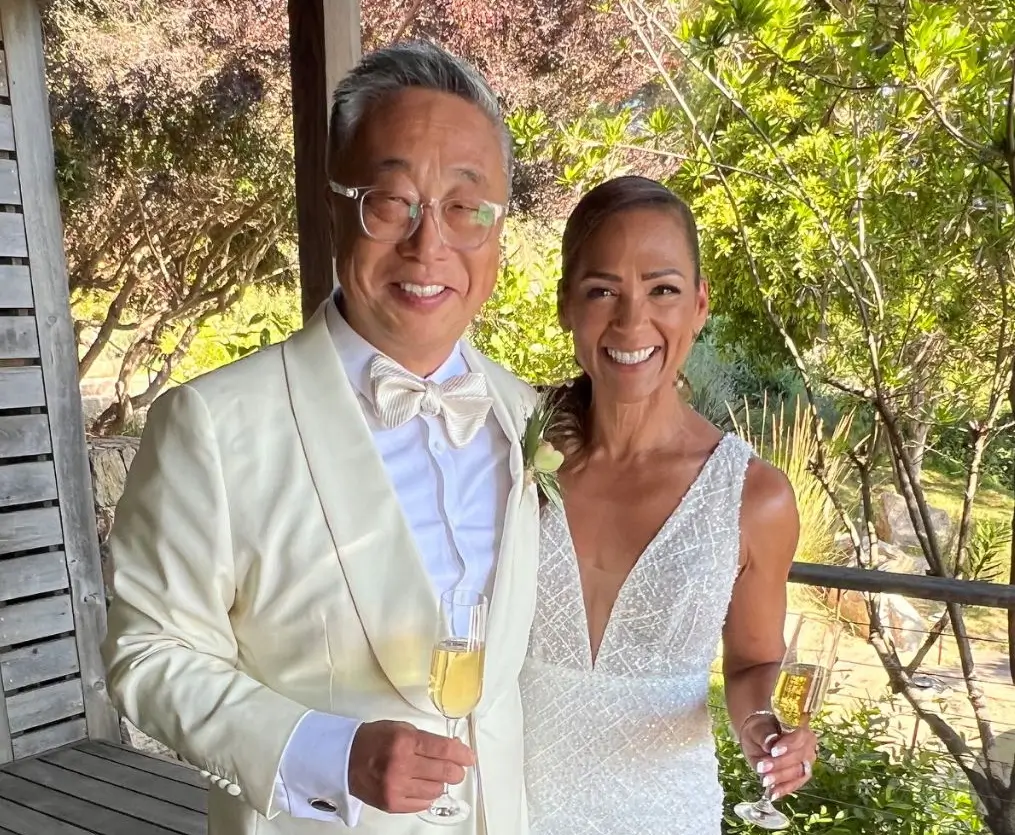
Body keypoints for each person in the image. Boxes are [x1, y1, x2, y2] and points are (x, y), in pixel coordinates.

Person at [101, 41, 539, 835]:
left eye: (464, 206)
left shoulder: (524, 416)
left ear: (498, 225)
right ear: (334, 202)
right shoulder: (212, 424)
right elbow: (150, 653)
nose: (428, 243)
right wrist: (328, 754)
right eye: (390, 199)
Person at [519, 176, 815, 834]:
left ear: (699, 305)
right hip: (506, 807)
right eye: (602, 291)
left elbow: (751, 662)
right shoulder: (511, 450)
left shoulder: (752, 497)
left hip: (661, 813)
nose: (631, 321)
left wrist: (764, 728)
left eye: (662, 289)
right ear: (566, 303)